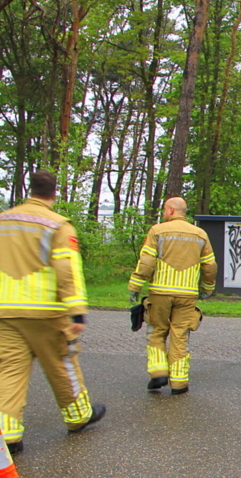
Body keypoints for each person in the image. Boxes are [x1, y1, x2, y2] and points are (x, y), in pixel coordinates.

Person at [0, 170, 106, 453]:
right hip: (46, 311)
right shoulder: (57, 225)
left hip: (6, 311)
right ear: (53, 194)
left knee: (9, 371)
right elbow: (66, 269)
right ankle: (78, 416)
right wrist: (76, 311)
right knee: (62, 363)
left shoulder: (3, 221)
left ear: (28, 189)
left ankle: (7, 435)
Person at [128, 197, 217, 395]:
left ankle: (159, 372)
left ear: (170, 210)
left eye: (164, 210)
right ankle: (179, 383)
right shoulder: (200, 234)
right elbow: (210, 265)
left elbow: (146, 262)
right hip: (187, 294)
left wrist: (135, 285)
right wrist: (207, 287)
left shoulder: (157, 231)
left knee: (157, 330)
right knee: (180, 335)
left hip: (160, 292)